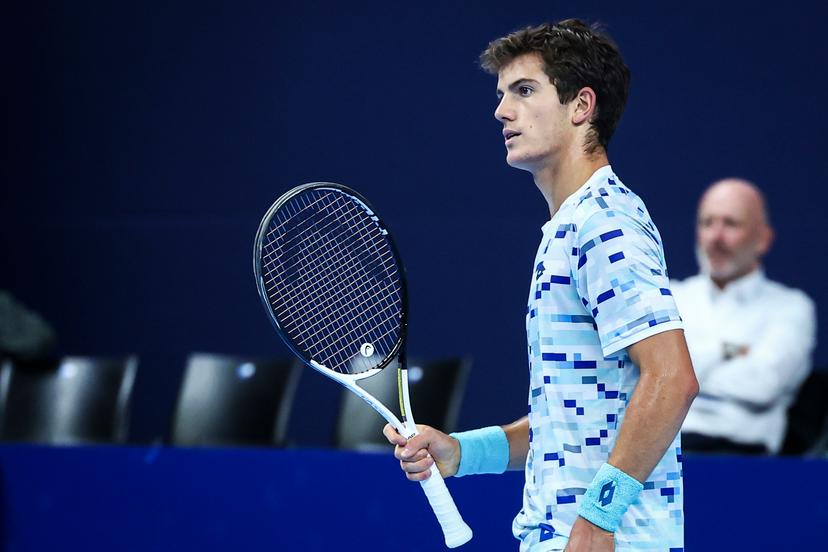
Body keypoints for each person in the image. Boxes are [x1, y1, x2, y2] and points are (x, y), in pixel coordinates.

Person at [384, 20, 698, 552]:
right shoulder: (571, 226)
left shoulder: (604, 222)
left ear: (581, 106)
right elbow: (567, 425)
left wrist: (599, 517)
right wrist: (463, 452)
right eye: (502, 94)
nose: (502, 111)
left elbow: (673, 379)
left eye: (525, 90)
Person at [672, 178, 816, 455]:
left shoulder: (791, 307)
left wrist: (682, 373)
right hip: (664, 455)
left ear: (763, 239)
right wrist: (728, 350)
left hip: (745, 461)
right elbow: (644, 375)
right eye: (707, 223)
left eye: (731, 224)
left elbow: (763, 385)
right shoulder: (670, 297)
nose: (716, 237)